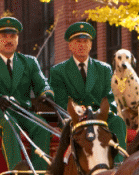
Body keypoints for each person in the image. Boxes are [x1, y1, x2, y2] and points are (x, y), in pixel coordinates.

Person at [0, 16, 55, 171]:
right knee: (9, 123)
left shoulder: (29, 62)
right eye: (4, 36)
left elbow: (42, 84)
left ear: (17, 40)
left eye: (12, 36)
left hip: (22, 111)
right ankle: (17, 169)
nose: (8, 40)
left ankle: (40, 174)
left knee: (42, 126)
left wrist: (46, 94)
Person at [49, 21, 127, 161]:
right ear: (70, 45)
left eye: (86, 41)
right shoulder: (58, 71)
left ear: (91, 45)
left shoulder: (104, 69)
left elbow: (109, 98)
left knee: (117, 122)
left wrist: (103, 112)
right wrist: (76, 110)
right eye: (78, 41)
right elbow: (60, 101)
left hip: (99, 116)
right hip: (74, 118)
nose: (82, 45)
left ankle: (119, 166)